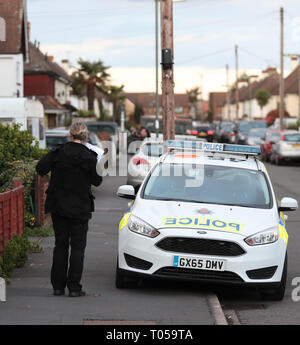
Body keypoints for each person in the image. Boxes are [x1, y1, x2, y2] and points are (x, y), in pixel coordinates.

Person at [36, 122, 102, 297]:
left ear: (70, 135)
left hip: (59, 206)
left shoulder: (58, 152)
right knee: (78, 248)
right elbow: (97, 181)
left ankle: (58, 287)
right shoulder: (90, 156)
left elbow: (40, 168)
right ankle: (74, 287)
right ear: (85, 136)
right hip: (80, 207)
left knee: (61, 245)